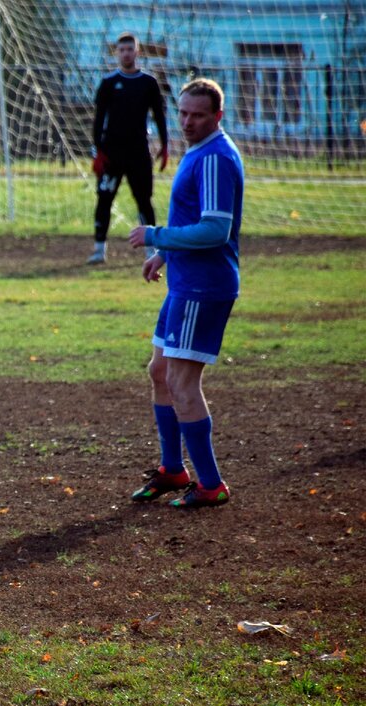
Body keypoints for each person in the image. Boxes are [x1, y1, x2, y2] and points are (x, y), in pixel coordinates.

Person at [128, 78, 243, 508]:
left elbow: (216, 229)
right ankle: (173, 470)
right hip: (184, 282)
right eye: (183, 114)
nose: (188, 122)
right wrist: (165, 253)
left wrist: (157, 235)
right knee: (160, 372)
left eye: (197, 115)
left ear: (217, 116)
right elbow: (193, 219)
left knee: (181, 381)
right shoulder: (198, 151)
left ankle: (211, 485)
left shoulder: (215, 157)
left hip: (204, 288)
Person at [88, 33, 169, 265]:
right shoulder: (109, 83)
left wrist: (164, 146)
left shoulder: (148, 83)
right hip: (112, 154)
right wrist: (98, 151)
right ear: (116, 53)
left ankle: (151, 249)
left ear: (137, 52)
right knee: (104, 199)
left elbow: (159, 116)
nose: (126, 53)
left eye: (129, 49)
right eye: (121, 50)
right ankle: (99, 249)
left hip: (138, 154)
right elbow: (99, 119)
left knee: (144, 200)